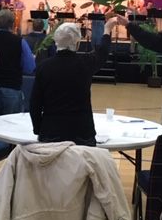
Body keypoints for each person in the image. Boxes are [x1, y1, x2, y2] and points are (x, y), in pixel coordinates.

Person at [30, 17, 117, 147]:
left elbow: (35, 103)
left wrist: (39, 129)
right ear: (77, 44)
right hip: (82, 133)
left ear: (55, 42)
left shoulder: (44, 66)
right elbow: (102, 53)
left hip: (51, 132)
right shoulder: (85, 63)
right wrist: (107, 30)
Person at [0, 9, 36, 119]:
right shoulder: (19, 41)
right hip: (12, 89)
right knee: (10, 126)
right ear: (12, 24)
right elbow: (29, 68)